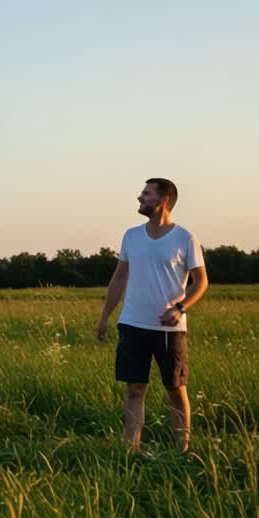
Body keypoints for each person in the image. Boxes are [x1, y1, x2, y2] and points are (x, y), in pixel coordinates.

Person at [96, 178, 208, 452]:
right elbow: (120, 277)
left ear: (163, 200)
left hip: (170, 329)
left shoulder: (184, 238)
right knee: (134, 389)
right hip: (132, 324)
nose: (139, 198)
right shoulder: (131, 236)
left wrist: (180, 308)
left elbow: (201, 282)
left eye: (146, 193)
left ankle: (182, 449)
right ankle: (130, 449)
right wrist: (104, 317)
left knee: (175, 390)